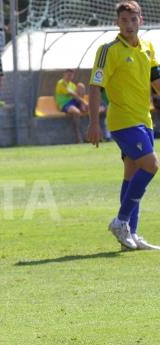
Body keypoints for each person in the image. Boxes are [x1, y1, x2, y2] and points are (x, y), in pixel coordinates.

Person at [87, 1, 160, 251]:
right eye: (124, 20)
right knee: (151, 165)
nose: (129, 25)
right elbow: (95, 86)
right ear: (117, 23)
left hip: (144, 120)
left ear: (141, 19)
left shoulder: (148, 47)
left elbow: (156, 80)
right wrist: (93, 123)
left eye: (133, 19)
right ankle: (121, 221)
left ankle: (131, 235)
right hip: (122, 121)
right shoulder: (108, 50)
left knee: (131, 174)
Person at [55, 68, 89, 143]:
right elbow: (72, 94)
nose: (69, 76)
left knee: (81, 85)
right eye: (68, 74)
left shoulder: (72, 85)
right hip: (64, 104)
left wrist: (83, 103)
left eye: (71, 75)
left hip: (73, 102)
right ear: (64, 74)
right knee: (76, 112)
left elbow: (77, 95)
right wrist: (84, 102)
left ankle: (89, 136)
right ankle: (78, 136)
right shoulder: (61, 83)